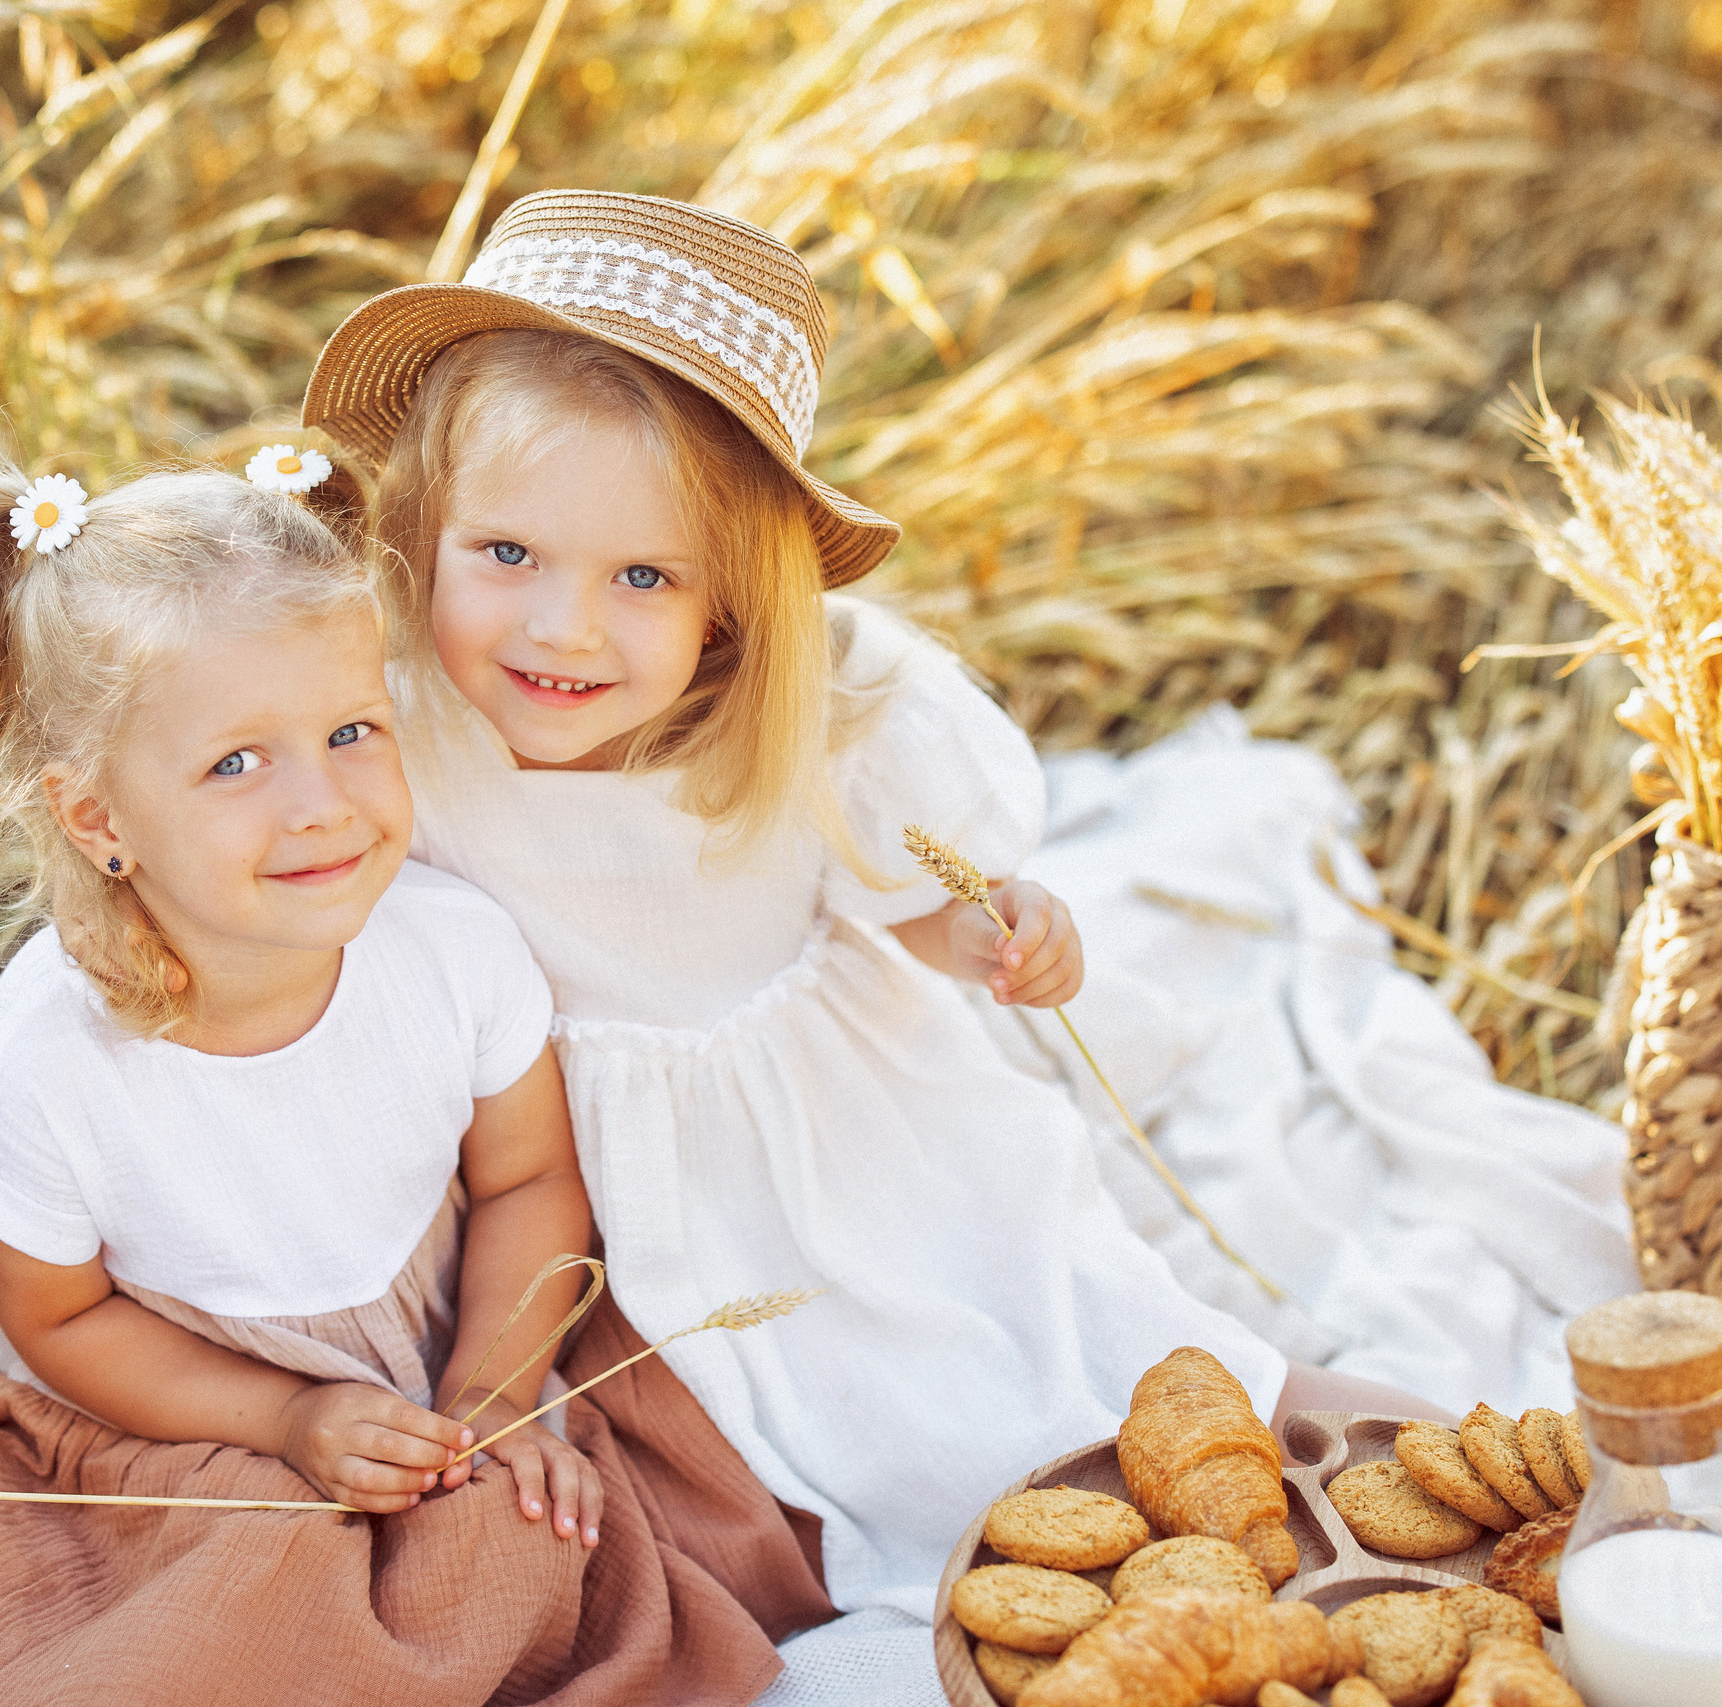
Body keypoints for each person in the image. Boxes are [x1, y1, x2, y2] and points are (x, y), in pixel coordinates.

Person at [297, 190, 1443, 1625]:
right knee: (830, 1452)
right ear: (424, 526)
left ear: (732, 599)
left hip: (846, 1123)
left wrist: (990, 929)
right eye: (507, 554)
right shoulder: (386, 714)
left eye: (644, 574)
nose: (561, 627)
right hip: (559, 1170)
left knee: (1086, 1347)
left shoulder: (814, 715)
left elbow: (906, 899)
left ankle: (1486, 1488)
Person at [0, 453, 827, 1706]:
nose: (323, 806)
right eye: (236, 764)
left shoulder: (452, 948)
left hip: (452, 1339)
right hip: (180, 1387)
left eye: (352, 733)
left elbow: (526, 1181)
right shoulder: (43, 1067)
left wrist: (496, 1390)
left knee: (569, 1526)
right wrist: (286, 1423)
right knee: (232, 1617)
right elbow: (59, 1318)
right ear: (95, 819)